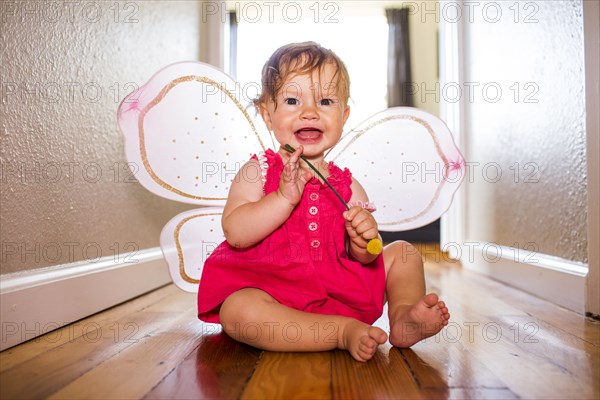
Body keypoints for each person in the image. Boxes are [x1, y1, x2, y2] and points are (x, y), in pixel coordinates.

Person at [197, 42, 449, 362]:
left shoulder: (348, 186)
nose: (310, 111)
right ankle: (339, 332)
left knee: (404, 253)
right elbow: (236, 232)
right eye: (292, 100)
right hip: (275, 295)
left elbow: (369, 256)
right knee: (238, 312)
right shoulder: (257, 171)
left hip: (339, 290)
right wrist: (282, 198)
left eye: (326, 101)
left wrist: (366, 241)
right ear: (267, 113)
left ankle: (403, 320)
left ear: (343, 117)